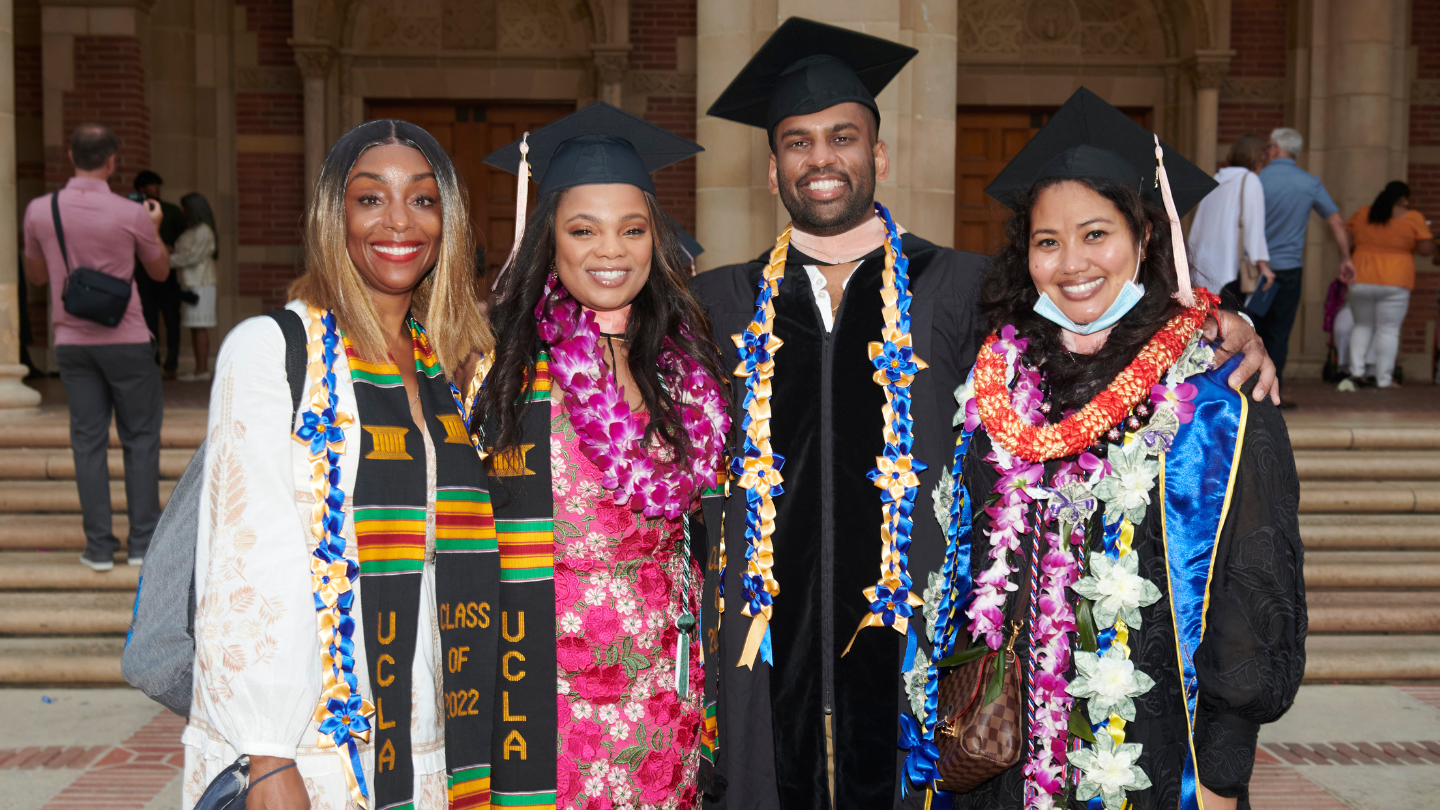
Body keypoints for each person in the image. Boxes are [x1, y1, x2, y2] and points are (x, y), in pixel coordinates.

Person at [689, 21, 1277, 809]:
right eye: (798, 142)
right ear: (772, 169)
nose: (821, 158)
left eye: (843, 136)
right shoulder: (714, 303)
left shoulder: (964, 289)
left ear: (880, 156)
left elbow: (1096, 337)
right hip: (763, 665)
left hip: (927, 667)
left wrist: (1213, 321)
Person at [940, 88, 1304, 810]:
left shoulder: (1218, 399)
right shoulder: (1000, 387)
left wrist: (1223, 773)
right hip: (1007, 753)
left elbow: (1253, 593)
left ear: (1143, 237)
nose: (1071, 262)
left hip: (1153, 751)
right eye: (1048, 241)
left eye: (1096, 234)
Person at [183, 120, 493, 810]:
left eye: (422, 199)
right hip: (311, 737)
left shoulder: (446, 366)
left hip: (426, 730)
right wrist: (266, 757)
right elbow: (247, 556)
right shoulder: (271, 349)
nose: (398, 222)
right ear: (335, 214)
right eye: (370, 198)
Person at [478, 102, 728, 810]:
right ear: (547, 241)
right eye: (582, 230)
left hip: (666, 691)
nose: (609, 250)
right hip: (544, 695)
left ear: (656, 239)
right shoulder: (504, 365)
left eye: (632, 229)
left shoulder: (686, 369)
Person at [22, 123, 170, 571]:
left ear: (71, 156)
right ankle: (142, 542)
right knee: (140, 439)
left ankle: (99, 548)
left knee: (87, 442)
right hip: (126, 339)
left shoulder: (39, 210)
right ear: (111, 162)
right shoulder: (132, 214)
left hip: (71, 342)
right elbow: (160, 272)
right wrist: (155, 227)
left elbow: (36, 277)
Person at [1259, 127, 1357, 398]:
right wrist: (1346, 259)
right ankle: (1272, 394)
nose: (1266, 151)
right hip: (1289, 270)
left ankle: (1246, 393)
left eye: (1268, 147)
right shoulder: (1309, 182)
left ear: (1276, 149)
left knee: (1251, 329)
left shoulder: (1256, 178)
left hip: (1256, 271)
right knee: (1279, 333)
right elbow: (1336, 221)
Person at [1341, 181, 1434, 388]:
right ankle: (1384, 380)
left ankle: (1356, 374)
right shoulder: (1413, 218)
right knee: (1389, 330)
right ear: (1404, 198)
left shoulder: (1364, 212)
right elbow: (1426, 249)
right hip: (1396, 279)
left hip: (1361, 275)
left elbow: (1346, 239)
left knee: (1362, 325)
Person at [1188, 133, 1273, 307]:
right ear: (1257, 157)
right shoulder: (1250, 180)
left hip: (1203, 270)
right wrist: (1263, 266)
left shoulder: (1217, 180)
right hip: (1230, 270)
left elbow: (1197, 228)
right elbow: (1253, 226)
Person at [132, 170, 187, 378]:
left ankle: (171, 364)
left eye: (157, 184)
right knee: (148, 319)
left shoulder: (171, 211)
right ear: (141, 189)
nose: (155, 189)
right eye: (150, 185)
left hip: (168, 271)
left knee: (172, 318)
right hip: (142, 273)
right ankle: (151, 363)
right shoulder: (133, 210)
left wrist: (174, 247)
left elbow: (185, 237)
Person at [170, 192, 219, 381]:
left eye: (186, 208)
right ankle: (199, 369)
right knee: (194, 325)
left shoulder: (204, 231)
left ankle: (202, 370)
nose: (183, 212)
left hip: (201, 283)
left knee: (200, 326)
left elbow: (193, 257)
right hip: (190, 283)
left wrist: (166, 260)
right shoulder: (192, 230)